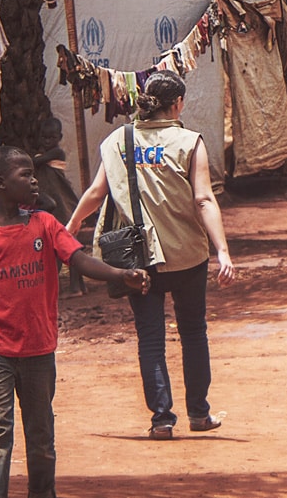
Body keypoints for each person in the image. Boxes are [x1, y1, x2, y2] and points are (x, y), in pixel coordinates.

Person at [0, 146, 149, 498]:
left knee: (41, 436)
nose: (34, 181)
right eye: (25, 175)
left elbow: (78, 260)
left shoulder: (45, 224)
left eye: (33, 174)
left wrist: (120, 273)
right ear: (0, 183)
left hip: (38, 349)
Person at [66, 70, 236, 441]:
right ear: (177, 104)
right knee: (193, 332)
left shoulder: (116, 141)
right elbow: (204, 198)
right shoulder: (189, 142)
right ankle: (199, 413)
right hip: (188, 254)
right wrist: (222, 249)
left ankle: (162, 419)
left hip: (137, 260)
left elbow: (97, 192)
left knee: (150, 337)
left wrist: (72, 225)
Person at [33, 117, 87, 296]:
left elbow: (37, 163)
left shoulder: (56, 153)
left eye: (51, 137)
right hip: (58, 207)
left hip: (63, 206)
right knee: (67, 246)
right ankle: (79, 286)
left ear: (59, 137)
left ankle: (72, 288)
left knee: (64, 248)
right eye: (44, 137)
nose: (47, 141)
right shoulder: (43, 156)